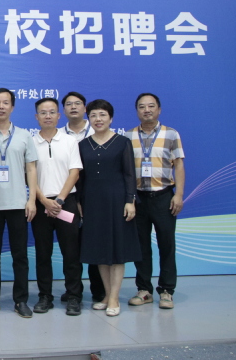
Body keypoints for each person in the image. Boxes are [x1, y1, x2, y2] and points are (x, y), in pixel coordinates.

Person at [0, 88, 38, 319]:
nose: (1, 106)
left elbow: (31, 169)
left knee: (20, 255)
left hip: (18, 204)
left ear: (12, 107)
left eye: (5, 102)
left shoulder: (24, 136)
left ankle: (20, 300)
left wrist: (31, 199)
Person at [78, 99, 141, 317]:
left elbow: (129, 173)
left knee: (117, 251)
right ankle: (106, 295)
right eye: (93, 115)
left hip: (117, 201)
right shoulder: (83, 145)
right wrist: (80, 202)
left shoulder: (122, 142)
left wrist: (130, 200)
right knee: (100, 251)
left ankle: (114, 297)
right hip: (92, 202)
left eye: (102, 115)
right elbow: (81, 177)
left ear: (111, 118)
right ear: (89, 119)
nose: (98, 119)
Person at [127, 93, 185, 309]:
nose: (147, 110)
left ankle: (167, 290)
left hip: (163, 196)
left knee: (166, 245)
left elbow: (179, 165)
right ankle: (144, 290)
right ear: (137, 111)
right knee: (141, 246)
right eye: (142, 107)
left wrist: (178, 195)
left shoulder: (171, 134)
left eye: (151, 106)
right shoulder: (128, 136)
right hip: (138, 198)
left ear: (159, 109)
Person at [31, 98, 84, 316]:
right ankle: (45, 296)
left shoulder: (70, 141)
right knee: (43, 254)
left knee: (71, 252)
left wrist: (60, 200)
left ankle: (74, 296)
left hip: (66, 202)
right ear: (37, 117)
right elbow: (29, 175)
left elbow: (75, 172)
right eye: (43, 113)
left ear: (58, 116)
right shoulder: (30, 142)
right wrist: (44, 200)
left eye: (52, 112)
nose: (48, 116)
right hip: (40, 203)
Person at [61, 91, 104, 304]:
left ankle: (99, 291)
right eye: (69, 104)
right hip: (69, 196)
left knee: (96, 242)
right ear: (63, 110)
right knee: (72, 247)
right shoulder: (59, 135)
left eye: (77, 103)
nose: (73, 107)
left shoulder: (98, 131)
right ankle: (74, 291)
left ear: (85, 108)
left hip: (96, 195)